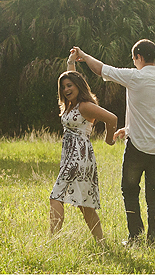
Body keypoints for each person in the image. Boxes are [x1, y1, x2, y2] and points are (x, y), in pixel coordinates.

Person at [71, 39, 155, 246]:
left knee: (130, 191)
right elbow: (153, 115)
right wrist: (127, 128)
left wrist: (84, 56)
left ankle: (135, 237)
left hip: (137, 149)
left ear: (139, 57)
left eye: (134, 59)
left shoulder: (136, 77)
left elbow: (101, 70)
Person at [49, 53, 118, 245]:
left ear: (78, 86)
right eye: (63, 87)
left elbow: (112, 119)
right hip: (75, 156)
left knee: (56, 196)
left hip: (78, 156)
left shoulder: (85, 106)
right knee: (84, 204)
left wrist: (109, 139)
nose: (66, 89)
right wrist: (71, 63)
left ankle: (52, 243)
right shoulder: (72, 105)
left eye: (69, 85)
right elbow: (72, 78)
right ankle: (101, 243)